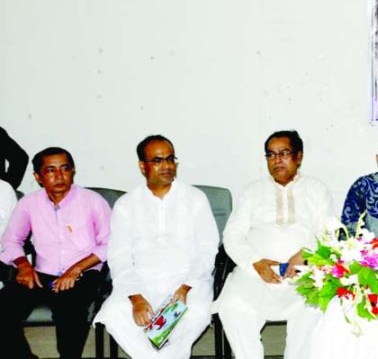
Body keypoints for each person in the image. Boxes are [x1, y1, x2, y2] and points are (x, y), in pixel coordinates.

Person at [214, 130, 336, 359]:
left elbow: (329, 232)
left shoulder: (316, 189)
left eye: (284, 153)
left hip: (304, 272)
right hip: (257, 273)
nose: (277, 160)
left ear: (299, 156)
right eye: (270, 155)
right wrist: (255, 263)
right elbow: (232, 235)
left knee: (313, 309)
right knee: (232, 306)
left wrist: (306, 254)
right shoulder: (252, 191)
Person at [94, 135, 219, 358]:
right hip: (141, 281)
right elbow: (119, 257)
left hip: (188, 282)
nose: (167, 166)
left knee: (195, 313)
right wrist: (136, 297)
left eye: (170, 159)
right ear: (142, 166)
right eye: (158, 160)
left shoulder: (194, 198)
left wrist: (185, 287)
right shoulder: (127, 205)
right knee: (113, 314)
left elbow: (208, 250)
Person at [0, 147, 111, 359]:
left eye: (64, 169)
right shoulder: (29, 203)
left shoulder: (92, 201)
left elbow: (109, 243)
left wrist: (75, 269)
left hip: (83, 273)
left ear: (73, 171)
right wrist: (23, 264)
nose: (59, 176)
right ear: (38, 177)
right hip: (42, 274)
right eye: (51, 170)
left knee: (70, 312)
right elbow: (11, 239)